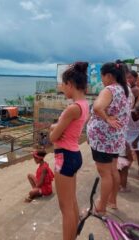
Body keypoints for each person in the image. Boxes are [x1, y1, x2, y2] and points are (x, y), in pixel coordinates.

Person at [49, 62, 89, 240]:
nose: (61, 88)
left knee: (65, 208)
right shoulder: (83, 104)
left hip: (64, 157)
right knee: (71, 202)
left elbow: (53, 137)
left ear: (70, 84)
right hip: (74, 154)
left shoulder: (72, 108)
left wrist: (53, 129)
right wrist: (57, 127)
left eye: (63, 84)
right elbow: (67, 129)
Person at [87, 61, 131, 214]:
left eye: (102, 76)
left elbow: (98, 107)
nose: (102, 80)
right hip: (115, 139)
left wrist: (106, 118)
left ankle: (101, 207)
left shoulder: (110, 89)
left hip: (103, 140)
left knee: (105, 174)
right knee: (113, 171)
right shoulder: (126, 90)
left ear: (109, 76)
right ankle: (112, 201)